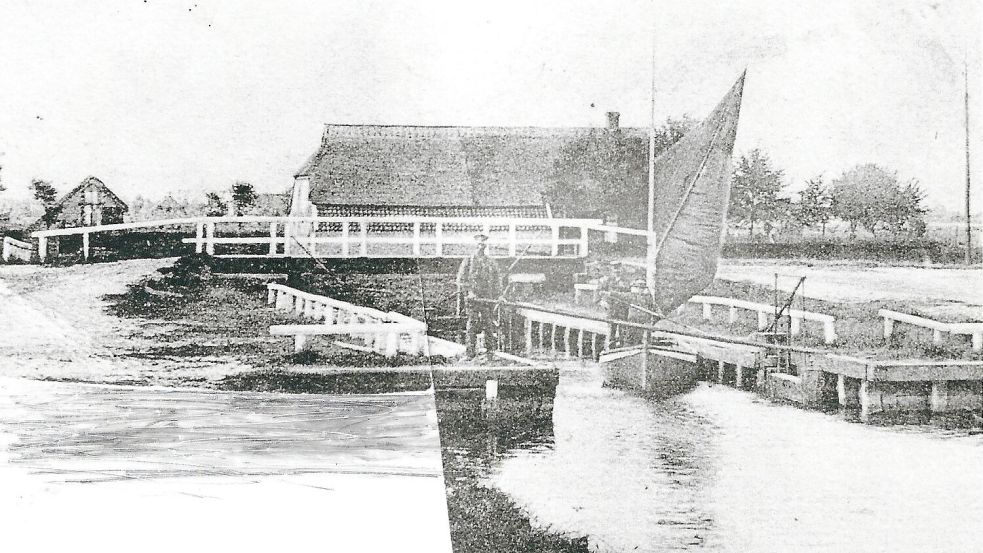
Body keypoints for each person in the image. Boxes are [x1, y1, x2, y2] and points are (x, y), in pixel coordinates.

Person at [457, 233, 503, 357]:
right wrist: (469, 292)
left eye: (483, 244)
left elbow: (497, 280)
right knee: (472, 323)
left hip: (487, 298)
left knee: (488, 324)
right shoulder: (469, 261)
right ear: (475, 245)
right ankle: (470, 353)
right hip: (472, 299)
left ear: (485, 246)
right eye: (479, 244)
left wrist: (499, 295)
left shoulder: (490, 262)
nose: (480, 246)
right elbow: (461, 280)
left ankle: (490, 352)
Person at [597, 261, 631, 346]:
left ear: (621, 269)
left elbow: (630, 294)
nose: (617, 271)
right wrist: (603, 302)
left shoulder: (626, 281)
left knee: (622, 329)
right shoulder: (607, 281)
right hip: (611, 309)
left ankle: (622, 347)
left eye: (618, 269)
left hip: (623, 309)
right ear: (611, 270)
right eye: (614, 269)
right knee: (611, 330)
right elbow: (599, 293)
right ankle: (610, 347)